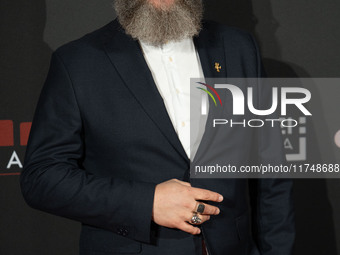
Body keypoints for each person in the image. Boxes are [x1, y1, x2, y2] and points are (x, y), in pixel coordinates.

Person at [20, 0, 295, 254]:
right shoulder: (78, 61)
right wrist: (146, 202)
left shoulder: (238, 47)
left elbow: (271, 171)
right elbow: (42, 177)